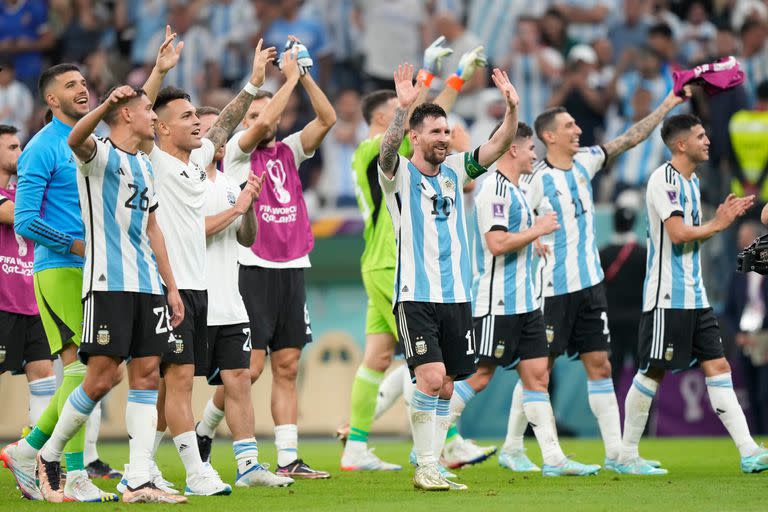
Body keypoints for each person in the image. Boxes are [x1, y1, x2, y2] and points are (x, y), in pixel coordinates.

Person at [521, 86, 692, 473]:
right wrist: (532, 244)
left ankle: (618, 455)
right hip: (553, 290)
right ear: (549, 136)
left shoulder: (587, 162)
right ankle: (523, 448)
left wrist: (667, 104)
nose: (578, 129)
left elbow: (631, 138)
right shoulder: (535, 179)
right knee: (537, 371)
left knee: (599, 366)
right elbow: (510, 225)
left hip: (591, 288)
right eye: (569, 125)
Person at [340, 44, 490, 473]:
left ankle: (355, 444)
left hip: (380, 261)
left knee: (377, 357)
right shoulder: (376, 151)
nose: (406, 109)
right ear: (386, 120)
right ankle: (447, 444)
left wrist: (451, 74)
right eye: (398, 107)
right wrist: (441, 75)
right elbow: (425, 124)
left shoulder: (383, 150)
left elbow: (431, 122)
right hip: (400, 265)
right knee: (429, 363)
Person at [34, 84, 187, 503]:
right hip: (106, 284)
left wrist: (170, 287)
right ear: (124, 115)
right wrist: (105, 104)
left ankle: (138, 479)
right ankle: (48, 456)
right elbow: (74, 138)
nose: (155, 117)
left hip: (146, 285)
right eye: (148, 109)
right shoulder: (98, 154)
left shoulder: (145, 166)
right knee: (101, 378)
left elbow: (153, 230)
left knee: (147, 377)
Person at [139, 29, 276, 495]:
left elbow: (227, 124)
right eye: (186, 116)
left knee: (174, 385)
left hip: (198, 288)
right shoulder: (152, 158)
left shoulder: (197, 157)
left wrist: (255, 83)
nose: (198, 122)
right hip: (167, 284)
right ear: (160, 127)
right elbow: (140, 113)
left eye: (197, 114)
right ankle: (191, 470)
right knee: (171, 385)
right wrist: (159, 73)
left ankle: (144, 467)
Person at [377, 64, 520, 491]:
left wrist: (511, 109)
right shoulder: (398, 174)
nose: (443, 138)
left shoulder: (458, 171)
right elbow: (386, 152)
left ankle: (432, 464)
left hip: (458, 295)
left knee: (446, 388)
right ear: (415, 138)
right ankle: (424, 466)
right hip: (415, 293)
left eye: (446, 131)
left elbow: (498, 144)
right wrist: (402, 110)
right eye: (434, 132)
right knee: (432, 378)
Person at [204, 37, 335, 479]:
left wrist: (306, 76)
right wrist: (288, 80)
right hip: (254, 268)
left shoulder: (290, 150)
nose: (267, 120)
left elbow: (328, 118)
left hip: (293, 266)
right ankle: (206, 428)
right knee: (252, 368)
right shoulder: (238, 155)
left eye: (270, 112)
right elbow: (258, 127)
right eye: (256, 114)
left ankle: (288, 457)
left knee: (288, 364)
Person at [618, 114, 768, 475]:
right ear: (681, 144)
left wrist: (717, 222)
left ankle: (748, 452)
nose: (708, 140)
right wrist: (719, 223)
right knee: (651, 372)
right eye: (701, 135)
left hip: (696, 297)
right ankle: (626, 455)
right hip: (666, 297)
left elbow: (694, 235)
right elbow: (680, 233)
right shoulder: (663, 180)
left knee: (719, 367)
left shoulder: (692, 182)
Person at [449, 120, 600, 476]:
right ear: (513, 149)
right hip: (497, 303)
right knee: (480, 376)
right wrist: (537, 230)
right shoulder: (493, 190)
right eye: (531, 148)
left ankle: (554, 459)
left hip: (527, 303)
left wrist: (534, 243)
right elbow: (496, 243)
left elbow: (513, 236)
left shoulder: (516, 190)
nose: (535, 154)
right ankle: (435, 440)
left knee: (537, 377)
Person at [1, 63, 118, 502]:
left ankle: (65, 471)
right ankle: (34, 452)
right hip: (60, 270)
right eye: (71, 85)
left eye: (85, 83)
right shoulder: (41, 148)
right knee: (90, 369)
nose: (82, 89)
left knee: (88, 370)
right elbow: (27, 220)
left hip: (93, 271)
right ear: (52, 100)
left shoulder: (91, 143)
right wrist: (77, 246)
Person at [195, 106, 294, 488]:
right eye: (207, 132)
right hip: (190, 299)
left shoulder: (229, 183)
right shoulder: (180, 180)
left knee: (239, 378)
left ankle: (248, 465)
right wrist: (238, 206)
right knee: (171, 383)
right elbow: (189, 231)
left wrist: (247, 207)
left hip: (230, 301)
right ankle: (148, 464)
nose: (217, 140)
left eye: (220, 132)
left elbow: (246, 237)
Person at [0, 124, 56, 431]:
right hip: (2, 301)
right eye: (12, 148)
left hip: (33, 302)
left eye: (21, 148)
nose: (20, 155)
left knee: (44, 373)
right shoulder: (18, 200)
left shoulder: (24, 193)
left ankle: (38, 459)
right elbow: (19, 217)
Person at [724, 221, 768, 435]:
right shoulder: (739, 270)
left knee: (765, 393)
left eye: (745, 237)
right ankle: (760, 441)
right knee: (752, 395)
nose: (740, 241)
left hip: (765, 337)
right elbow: (730, 308)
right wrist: (738, 334)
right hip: (746, 339)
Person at [599, 190, 647, 384]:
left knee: (611, 375)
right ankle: (645, 416)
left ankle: (608, 415)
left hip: (612, 322)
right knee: (642, 379)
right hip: (638, 323)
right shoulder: (643, 254)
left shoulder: (602, 254)